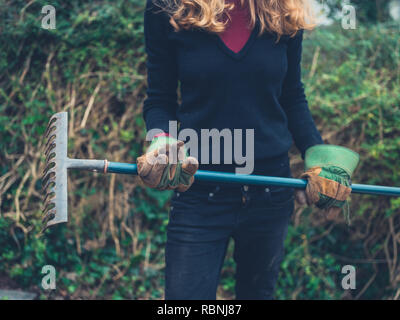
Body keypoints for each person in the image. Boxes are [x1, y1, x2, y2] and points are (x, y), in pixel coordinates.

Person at [137, 0, 358, 300]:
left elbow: (292, 96)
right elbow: (159, 99)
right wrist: (161, 140)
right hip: (199, 189)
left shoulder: (283, 9)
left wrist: (320, 157)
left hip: (269, 190)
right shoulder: (167, 7)